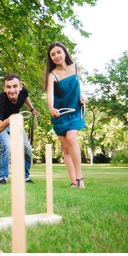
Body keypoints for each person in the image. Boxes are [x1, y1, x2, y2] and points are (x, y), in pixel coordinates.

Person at [44, 42, 87, 188]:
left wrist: (82, 97)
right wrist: (51, 108)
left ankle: (80, 178)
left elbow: (78, 87)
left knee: (71, 138)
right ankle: (73, 181)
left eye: (58, 52)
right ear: (50, 58)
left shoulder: (76, 67)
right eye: (53, 54)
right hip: (60, 114)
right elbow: (49, 94)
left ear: (64, 52)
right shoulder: (52, 75)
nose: (56, 56)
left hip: (75, 111)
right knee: (66, 149)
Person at [0, 74, 39, 185]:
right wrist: (8, 120)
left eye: (15, 86)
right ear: (4, 88)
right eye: (8, 87)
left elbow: (25, 97)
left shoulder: (23, 92)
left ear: (20, 86)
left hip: (15, 123)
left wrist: (32, 109)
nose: (12, 90)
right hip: (2, 124)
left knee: (27, 149)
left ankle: (25, 176)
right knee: (7, 145)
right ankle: (3, 177)